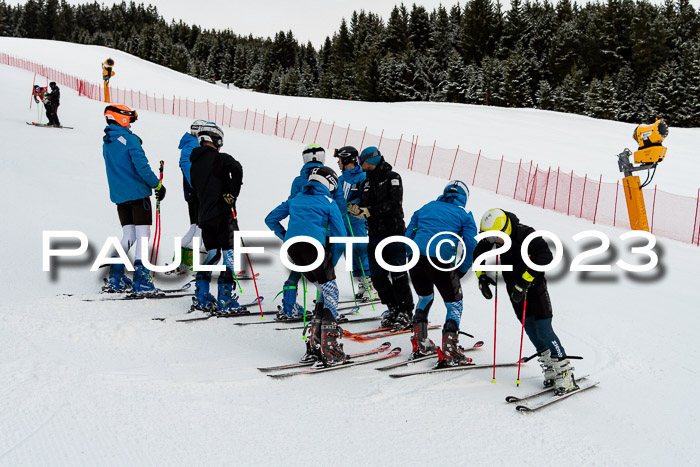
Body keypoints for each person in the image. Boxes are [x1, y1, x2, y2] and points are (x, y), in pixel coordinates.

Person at [473, 208, 578, 395]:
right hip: (514, 290)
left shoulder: (526, 234)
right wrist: (481, 277)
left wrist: (525, 281)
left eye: (494, 238)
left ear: (505, 229)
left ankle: (565, 373)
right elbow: (478, 253)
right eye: (489, 238)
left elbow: (546, 257)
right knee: (530, 328)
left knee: (544, 329)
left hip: (535, 288)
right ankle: (551, 369)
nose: (492, 242)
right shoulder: (495, 237)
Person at [266, 166, 347, 365]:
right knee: (331, 291)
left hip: (294, 250)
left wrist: (286, 237)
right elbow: (341, 236)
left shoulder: (296, 199)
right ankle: (329, 346)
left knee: (323, 289)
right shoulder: (328, 202)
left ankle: (315, 342)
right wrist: (331, 262)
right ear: (329, 183)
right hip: (315, 249)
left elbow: (271, 219)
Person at [268, 144, 347, 321]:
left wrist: (286, 235)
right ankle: (327, 318)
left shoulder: (299, 180)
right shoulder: (330, 185)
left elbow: (277, 213)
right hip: (322, 235)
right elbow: (340, 206)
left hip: (295, 238)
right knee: (326, 279)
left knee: (300, 270)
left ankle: (289, 304)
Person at [405, 181, 478, 366]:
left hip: (416, 258)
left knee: (425, 297)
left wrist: (410, 255)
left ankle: (420, 343)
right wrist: (462, 268)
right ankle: (450, 351)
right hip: (440, 261)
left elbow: (408, 235)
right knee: (455, 304)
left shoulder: (426, 207)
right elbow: (471, 244)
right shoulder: (464, 214)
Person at [101, 104, 166, 294]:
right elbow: (142, 167)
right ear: (121, 118)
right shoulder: (130, 140)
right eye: (129, 120)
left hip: (120, 197)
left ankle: (116, 276)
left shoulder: (108, 142)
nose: (130, 124)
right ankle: (142, 279)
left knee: (128, 236)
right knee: (142, 236)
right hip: (138, 194)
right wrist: (157, 185)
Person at [348, 146, 414, 331]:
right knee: (377, 277)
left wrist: (370, 211)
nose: (361, 165)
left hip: (393, 233)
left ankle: (406, 311)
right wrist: (358, 210)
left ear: (373, 160)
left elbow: (394, 204)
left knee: (399, 274)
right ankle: (393, 308)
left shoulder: (393, 177)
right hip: (375, 234)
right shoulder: (366, 182)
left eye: (363, 161)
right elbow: (364, 203)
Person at [189, 122, 245, 313]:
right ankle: (225, 299)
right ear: (215, 140)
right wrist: (232, 194)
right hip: (223, 215)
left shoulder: (193, 165)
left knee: (213, 254)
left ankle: (202, 295)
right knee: (230, 255)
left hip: (205, 216)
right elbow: (237, 168)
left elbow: (195, 190)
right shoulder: (221, 158)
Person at [333, 146, 373, 302]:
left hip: (356, 221)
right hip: (342, 222)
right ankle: (363, 286)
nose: (337, 163)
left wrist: (353, 207)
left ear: (346, 159)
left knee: (360, 251)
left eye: (339, 160)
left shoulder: (362, 176)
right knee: (349, 255)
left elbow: (367, 199)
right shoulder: (340, 179)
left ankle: (371, 286)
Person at [171, 119, 207, 275]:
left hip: (192, 192)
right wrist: (195, 182)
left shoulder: (191, 142)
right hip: (195, 191)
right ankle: (193, 266)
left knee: (194, 227)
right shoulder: (192, 143)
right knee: (200, 228)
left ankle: (178, 263)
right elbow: (185, 162)